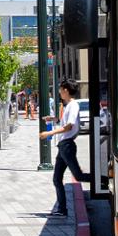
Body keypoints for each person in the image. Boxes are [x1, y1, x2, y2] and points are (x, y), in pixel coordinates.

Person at [39, 79, 91, 218]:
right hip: (63, 146)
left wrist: (49, 133)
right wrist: (53, 119)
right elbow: (64, 123)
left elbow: (69, 126)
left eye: (61, 90)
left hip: (67, 146)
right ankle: (62, 210)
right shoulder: (68, 106)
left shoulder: (73, 105)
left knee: (78, 176)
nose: (60, 93)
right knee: (57, 179)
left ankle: (103, 180)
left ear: (66, 90)